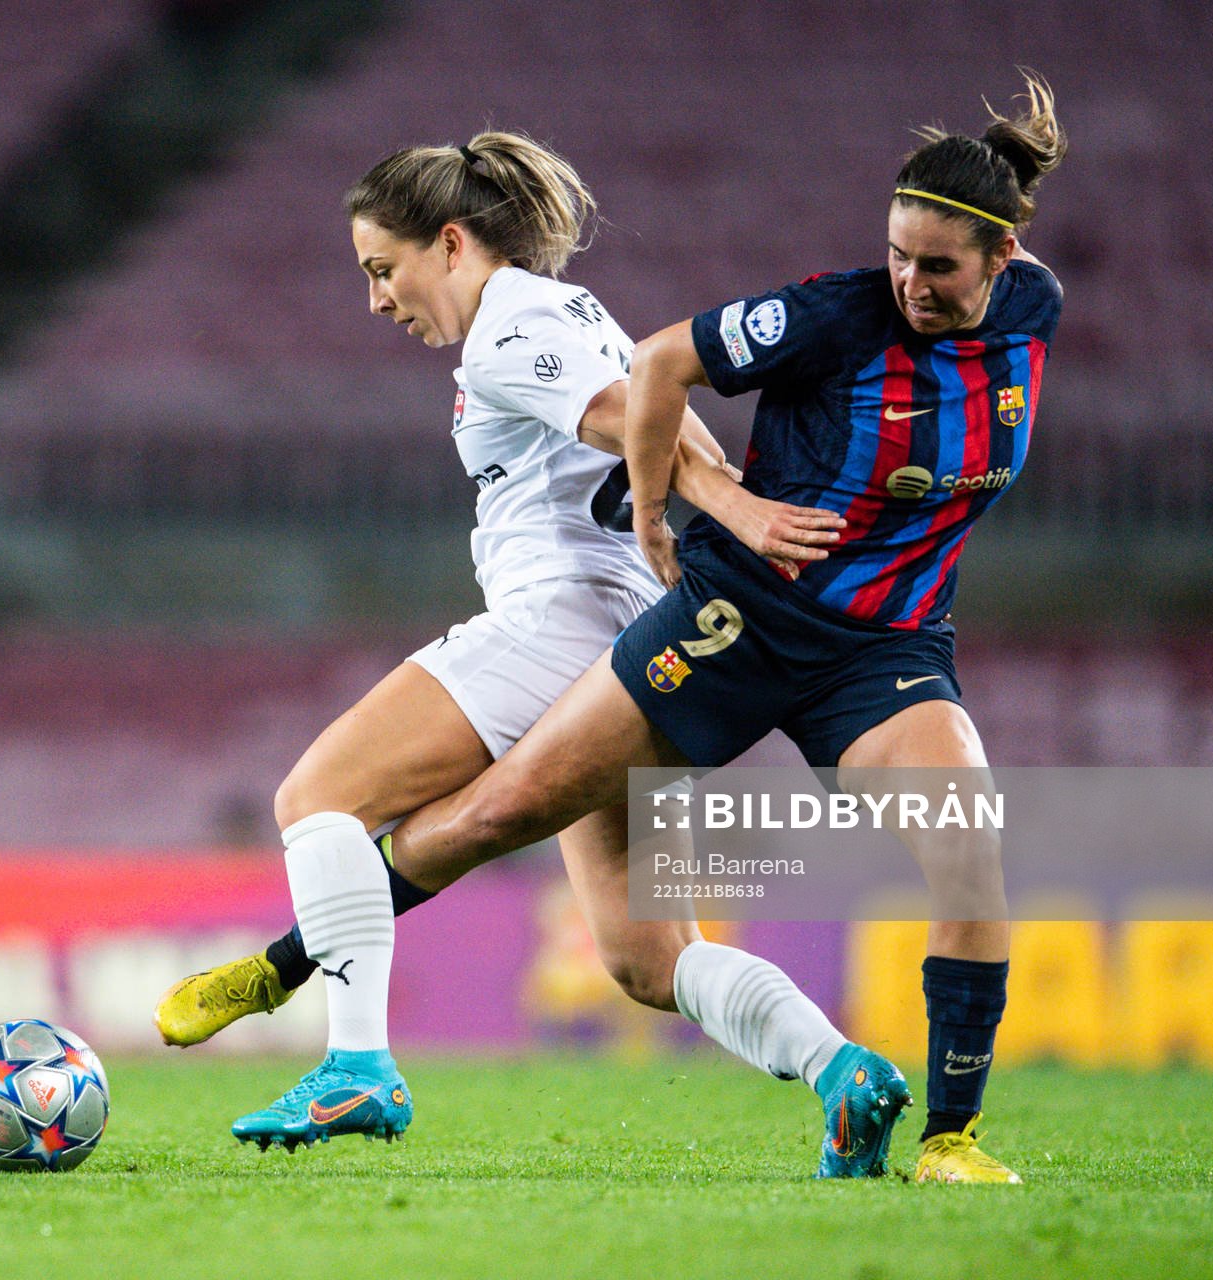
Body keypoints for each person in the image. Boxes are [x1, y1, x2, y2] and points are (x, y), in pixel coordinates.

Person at [290, 75, 1069, 1184]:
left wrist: (701, 501)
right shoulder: (836, 310)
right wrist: (689, 511)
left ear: (1002, 262)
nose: (909, 281)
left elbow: (633, 400)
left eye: (937, 264)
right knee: (631, 941)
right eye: (897, 253)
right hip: (736, 620)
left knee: (969, 858)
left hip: (882, 652)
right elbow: (661, 368)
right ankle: (839, 1069)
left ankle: (947, 1136)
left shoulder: (1033, 308)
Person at [156, 130, 911, 1177]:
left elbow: (617, 418)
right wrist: (695, 504)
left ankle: (356, 1061)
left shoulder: (509, 323)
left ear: (452, 241)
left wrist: (729, 507)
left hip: (563, 619)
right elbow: (659, 410)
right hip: (641, 652)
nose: (378, 299)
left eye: (385, 268)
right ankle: (842, 1070)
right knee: (650, 959)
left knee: (314, 795)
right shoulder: (575, 311)